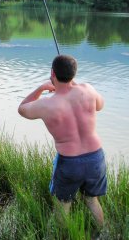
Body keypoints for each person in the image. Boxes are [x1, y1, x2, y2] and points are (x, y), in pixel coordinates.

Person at [18, 55, 106, 227]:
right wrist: (74, 84)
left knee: (63, 206)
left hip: (70, 163)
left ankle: (63, 236)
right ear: (74, 74)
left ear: (53, 74)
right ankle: (100, 235)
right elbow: (100, 105)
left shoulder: (46, 105)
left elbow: (22, 109)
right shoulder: (88, 89)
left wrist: (41, 87)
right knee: (92, 200)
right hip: (96, 157)